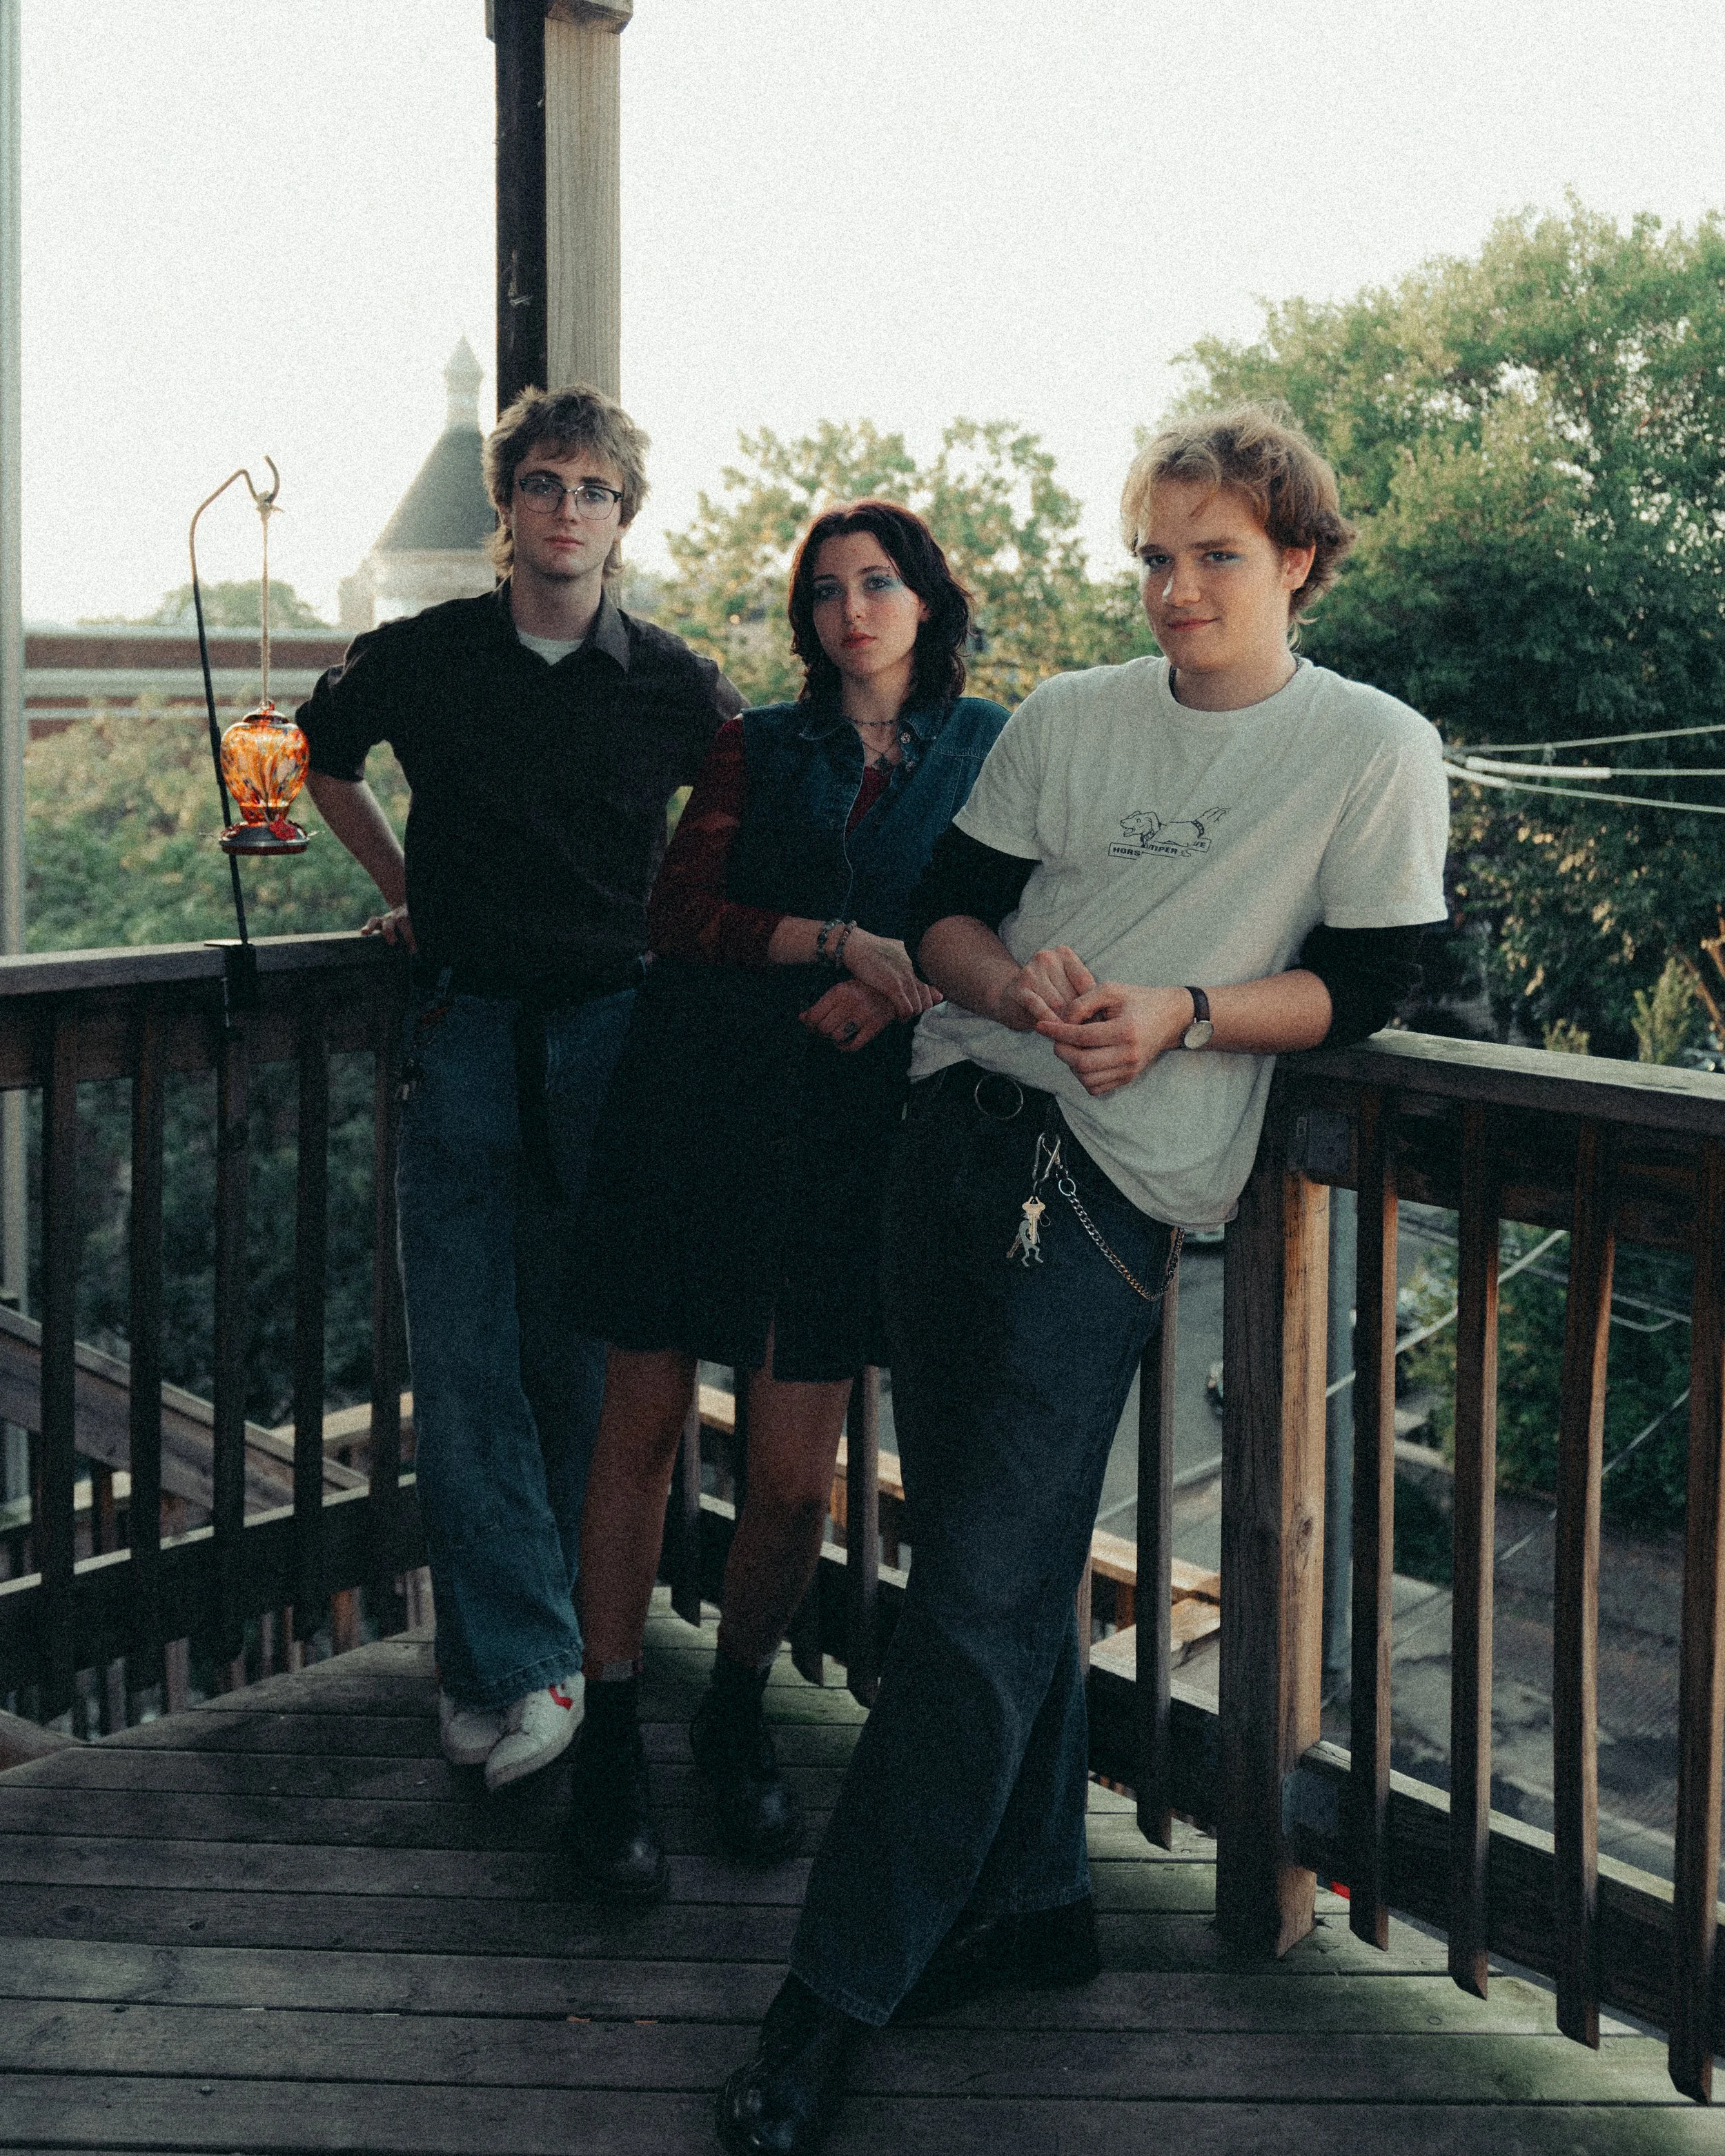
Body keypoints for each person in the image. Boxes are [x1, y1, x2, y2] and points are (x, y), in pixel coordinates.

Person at [716, 406, 1451, 2155]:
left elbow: (1368, 980)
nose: (1177, 589)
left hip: (1106, 1189)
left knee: (964, 1602)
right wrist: (1013, 984)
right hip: (951, 1133)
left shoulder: (1369, 745)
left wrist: (1181, 1011)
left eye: (1216, 555)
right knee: (1003, 1562)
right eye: (1155, 555)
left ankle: (828, 1995)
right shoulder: (1066, 716)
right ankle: (1037, 1899)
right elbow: (951, 915)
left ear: (1298, 564)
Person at [299, 384, 740, 1792]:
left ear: (623, 514)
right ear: (506, 506)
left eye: (593, 489)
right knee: (469, 1359)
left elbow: (742, 828)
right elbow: (317, 755)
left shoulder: (673, 683)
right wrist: (406, 891)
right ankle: (528, 1660)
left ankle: (523, 1656)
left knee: (582, 1366)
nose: (566, 509)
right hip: (469, 1029)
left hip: (613, 1041)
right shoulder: (428, 655)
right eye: (543, 483)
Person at [566, 502, 1009, 1900]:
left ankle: (737, 1699)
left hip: (850, 1136)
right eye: (825, 590)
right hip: (691, 1102)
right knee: (636, 1429)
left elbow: (1037, 913)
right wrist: (840, 940)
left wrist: (907, 988)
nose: (851, 610)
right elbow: (679, 913)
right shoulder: (755, 739)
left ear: (928, 602)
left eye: (879, 583)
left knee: (787, 1470)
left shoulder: (993, 749)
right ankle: (606, 1739)